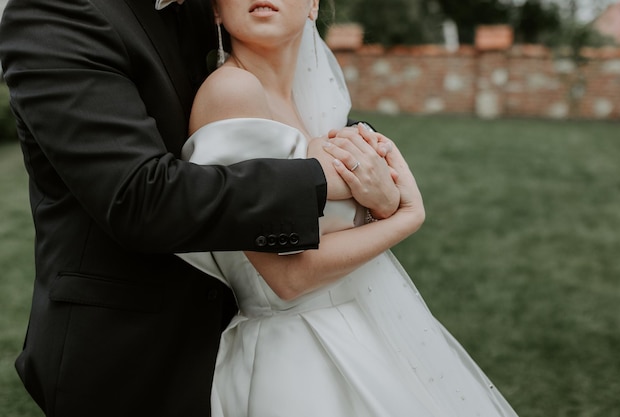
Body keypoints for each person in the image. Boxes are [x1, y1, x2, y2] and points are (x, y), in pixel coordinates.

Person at [0, 0, 396, 416]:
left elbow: (279, 92)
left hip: (239, 338)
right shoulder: (53, 11)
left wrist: (363, 156)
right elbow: (138, 198)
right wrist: (319, 177)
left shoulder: (201, 9)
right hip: (128, 353)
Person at [180, 0, 519, 416]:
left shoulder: (318, 110)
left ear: (312, 6)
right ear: (215, 11)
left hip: (352, 332)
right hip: (293, 361)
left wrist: (383, 201)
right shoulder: (233, 91)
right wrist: (406, 217)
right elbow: (287, 277)